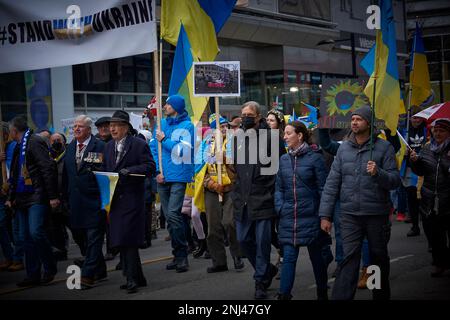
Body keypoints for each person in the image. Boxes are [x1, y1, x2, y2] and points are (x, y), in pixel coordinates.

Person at [319, 105, 401, 300]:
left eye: (359, 119)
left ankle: (379, 296)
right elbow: (332, 183)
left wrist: (378, 173)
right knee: (348, 259)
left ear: (369, 123)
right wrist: (325, 215)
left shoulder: (384, 148)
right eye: (353, 119)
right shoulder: (344, 148)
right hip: (349, 215)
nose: (354, 122)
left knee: (377, 259)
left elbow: (395, 180)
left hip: (376, 214)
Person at [275, 121, 330, 300]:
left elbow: (324, 189)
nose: (284, 137)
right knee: (289, 258)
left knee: (317, 259)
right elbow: (279, 188)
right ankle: (284, 295)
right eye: (284, 133)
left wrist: (324, 216)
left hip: (312, 218)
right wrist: (280, 207)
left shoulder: (315, 158)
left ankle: (322, 293)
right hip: (289, 217)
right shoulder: (283, 160)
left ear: (299, 136)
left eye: (288, 133)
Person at [102, 110, 155, 293]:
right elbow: (105, 169)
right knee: (121, 240)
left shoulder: (138, 145)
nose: (113, 128)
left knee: (128, 239)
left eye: (116, 125)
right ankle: (138, 277)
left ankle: (131, 278)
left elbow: (150, 167)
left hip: (132, 198)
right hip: (115, 200)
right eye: (111, 125)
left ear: (125, 128)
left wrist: (130, 170)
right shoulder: (108, 146)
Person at [232, 101, 280, 300]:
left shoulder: (271, 137)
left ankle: (260, 281)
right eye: (243, 114)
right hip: (242, 199)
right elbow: (236, 168)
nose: (245, 117)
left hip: (263, 198)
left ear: (258, 116)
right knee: (243, 241)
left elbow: (278, 168)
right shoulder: (238, 138)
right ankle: (267, 269)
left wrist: (271, 192)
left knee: (262, 244)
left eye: (249, 114)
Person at [6, 116, 59, 287]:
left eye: (9, 131)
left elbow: (47, 167)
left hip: (37, 194)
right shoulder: (16, 147)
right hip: (21, 198)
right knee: (25, 237)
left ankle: (50, 266)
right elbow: (14, 173)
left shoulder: (34, 141)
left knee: (36, 231)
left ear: (14, 131)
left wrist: (52, 196)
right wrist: (10, 197)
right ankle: (33, 274)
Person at [150, 94, 194, 273]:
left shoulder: (188, 126)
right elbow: (153, 149)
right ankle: (177, 255)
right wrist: (157, 171)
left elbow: (181, 151)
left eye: (168, 104)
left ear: (176, 106)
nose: (165, 107)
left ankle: (182, 255)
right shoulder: (161, 124)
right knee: (169, 218)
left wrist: (164, 140)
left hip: (179, 175)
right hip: (163, 176)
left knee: (174, 214)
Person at [64, 115, 107, 289]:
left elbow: (102, 173)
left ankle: (88, 274)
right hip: (75, 202)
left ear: (89, 129)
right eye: (74, 126)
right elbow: (67, 176)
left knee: (94, 237)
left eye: (80, 126)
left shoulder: (100, 146)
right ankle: (100, 268)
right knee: (82, 238)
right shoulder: (70, 147)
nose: (76, 129)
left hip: (94, 200)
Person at [202, 114, 243, 273]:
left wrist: (225, 158)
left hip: (231, 188)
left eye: (226, 125)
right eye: (219, 126)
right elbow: (199, 170)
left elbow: (242, 168)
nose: (224, 129)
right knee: (213, 228)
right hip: (213, 190)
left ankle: (237, 254)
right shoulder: (205, 146)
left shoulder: (235, 143)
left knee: (229, 222)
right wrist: (211, 183)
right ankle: (218, 261)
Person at [409, 118, 450, 277]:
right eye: (435, 130)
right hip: (430, 198)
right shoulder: (427, 148)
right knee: (435, 235)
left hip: (447, 198)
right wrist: (414, 161)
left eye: (442, 130)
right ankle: (439, 263)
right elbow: (420, 171)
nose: (438, 133)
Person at [400, 115, 429, 238]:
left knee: (425, 201)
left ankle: (430, 234)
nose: (416, 120)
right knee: (412, 199)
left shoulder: (427, 129)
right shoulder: (405, 131)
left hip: (424, 169)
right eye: (413, 118)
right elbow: (397, 148)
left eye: (418, 118)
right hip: (409, 169)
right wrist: (403, 152)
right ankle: (415, 226)